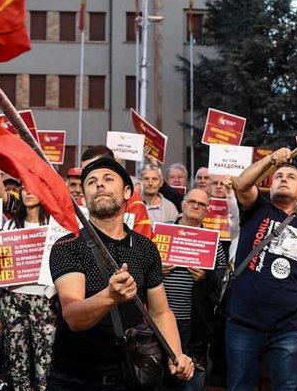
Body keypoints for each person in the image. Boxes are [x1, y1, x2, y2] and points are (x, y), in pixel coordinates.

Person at [47, 156, 193, 389]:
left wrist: (177, 354)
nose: (99, 185)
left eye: (107, 179)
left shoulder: (146, 248)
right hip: (76, 378)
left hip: (132, 376)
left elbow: (161, 311)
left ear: (127, 192)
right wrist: (110, 297)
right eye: (91, 182)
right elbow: (73, 315)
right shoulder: (67, 246)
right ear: (83, 197)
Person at [227, 148, 297, 390]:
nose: (283, 178)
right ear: (270, 185)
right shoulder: (257, 209)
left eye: (291, 176)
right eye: (278, 176)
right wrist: (270, 160)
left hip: (288, 328)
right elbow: (242, 184)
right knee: (239, 386)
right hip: (244, 323)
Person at [0, 188, 57, 390]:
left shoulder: (54, 225)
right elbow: (0, 271)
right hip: (12, 301)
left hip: (45, 301)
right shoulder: (10, 225)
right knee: (16, 359)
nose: (29, 193)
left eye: (33, 188)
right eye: (24, 189)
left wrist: (51, 293)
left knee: (45, 362)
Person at [161, 188, 227, 390]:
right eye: (192, 201)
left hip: (194, 322)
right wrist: (158, 270)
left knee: (189, 376)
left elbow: (221, 280)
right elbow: (143, 271)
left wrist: (205, 277)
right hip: (161, 317)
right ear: (182, 203)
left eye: (201, 204)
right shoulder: (162, 233)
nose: (196, 206)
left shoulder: (213, 242)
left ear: (207, 210)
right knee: (161, 376)